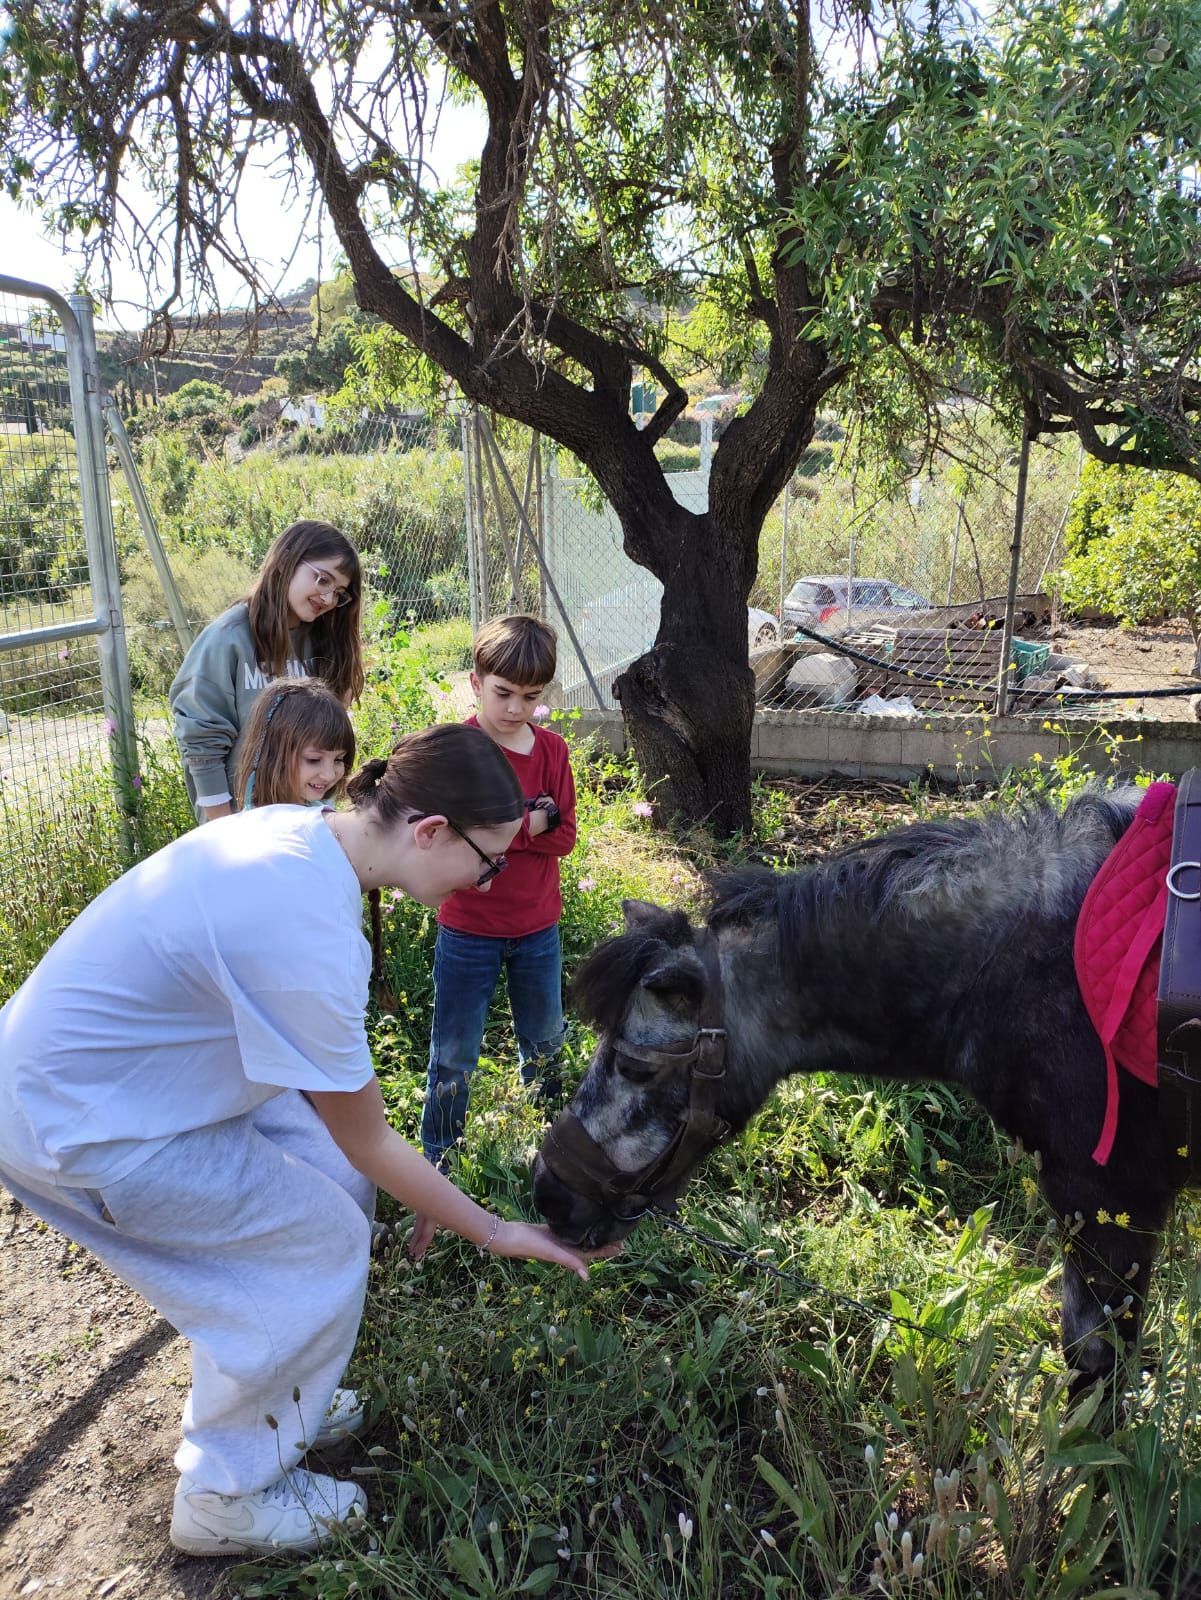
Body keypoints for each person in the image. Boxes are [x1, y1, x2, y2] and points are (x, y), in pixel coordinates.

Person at [0, 724, 604, 1559]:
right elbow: (369, 1140)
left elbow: (349, 1128)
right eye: (489, 859)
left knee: (332, 1184)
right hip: (85, 1129)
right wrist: (498, 1232)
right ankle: (223, 1496)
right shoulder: (310, 928)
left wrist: (401, 1180)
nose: (489, 878)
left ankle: (281, 1401)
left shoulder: (302, 835)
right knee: (314, 1241)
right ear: (430, 831)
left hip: (126, 1086)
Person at [420, 614, 577, 1172]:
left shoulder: (552, 751)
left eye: (530, 697)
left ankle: (554, 1146)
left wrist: (506, 833)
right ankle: (439, 1155)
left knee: (545, 1041)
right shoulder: (459, 748)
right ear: (476, 682)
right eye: (503, 692)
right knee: (455, 1050)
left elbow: (565, 836)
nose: (515, 708)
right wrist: (527, 823)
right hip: (467, 927)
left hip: (538, 926)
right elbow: (450, 839)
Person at [169, 519, 366, 822]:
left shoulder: (327, 644)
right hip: (241, 824)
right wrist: (223, 829)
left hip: (305, 823)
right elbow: (201, 742)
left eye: (339, 592)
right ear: (286, 560)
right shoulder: (229, 637)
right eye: (323, 580)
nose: (328, 599)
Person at [235, 679, 355, 811]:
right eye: (313, 760)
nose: (330, 775)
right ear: (273, 754)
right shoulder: (258, 826)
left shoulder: (321, 812)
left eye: (338, 759)